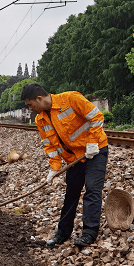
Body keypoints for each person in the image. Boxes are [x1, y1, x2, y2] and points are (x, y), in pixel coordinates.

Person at [21, 83, 108, 248]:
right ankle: (63, 232)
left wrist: (91, 143)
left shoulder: (71, 99)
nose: (30, 108)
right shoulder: (40, 120)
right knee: (71, 194)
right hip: (74, 158)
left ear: (39, 99)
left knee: (92, 189)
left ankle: (89, 233)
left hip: (95, 151)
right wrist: (54, 169)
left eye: (30, 105)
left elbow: (96, 117)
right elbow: (50, 146)